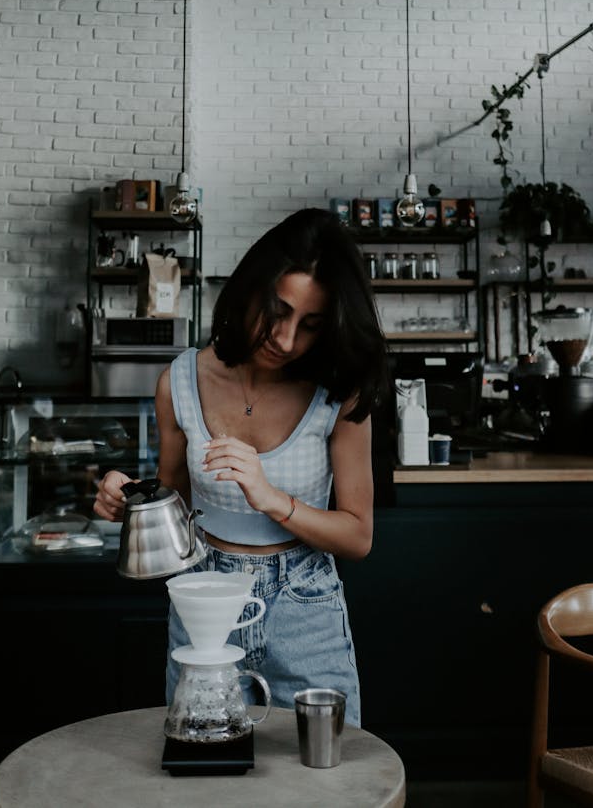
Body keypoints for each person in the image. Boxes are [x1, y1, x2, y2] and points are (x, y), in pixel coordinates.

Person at [94, 207, 389, 726]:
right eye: (277, 312)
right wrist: (131, 500)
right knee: (206, 782)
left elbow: (359, 536)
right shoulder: (179, 381)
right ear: (250, 289)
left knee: (324, 786)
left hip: (306, 606)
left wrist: (271, 496)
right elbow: (173, 503)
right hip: (205, 601)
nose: (287, 339)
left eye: (311, 326)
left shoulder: (339, 390)